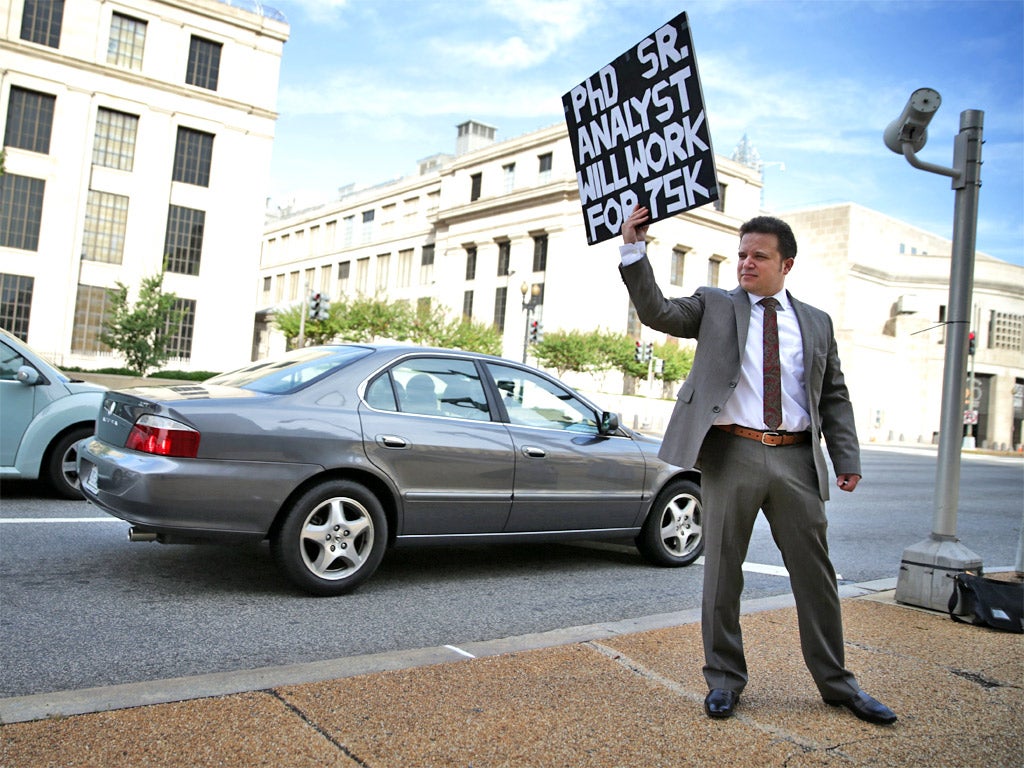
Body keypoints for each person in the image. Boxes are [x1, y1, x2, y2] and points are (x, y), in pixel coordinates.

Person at [617, 205, 896, 726]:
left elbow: (833, 395)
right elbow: (658, 312)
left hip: (795, 458)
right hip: (733, 453)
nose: (746, 264)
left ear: (786, 264)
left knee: (816, 577)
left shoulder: (816, 322)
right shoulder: (715, 304)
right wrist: (635, 249)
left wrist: (846, 456)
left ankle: (838, 685)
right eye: (742, 255)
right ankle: (724, 681)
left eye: (758, 256)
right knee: (722, 574)